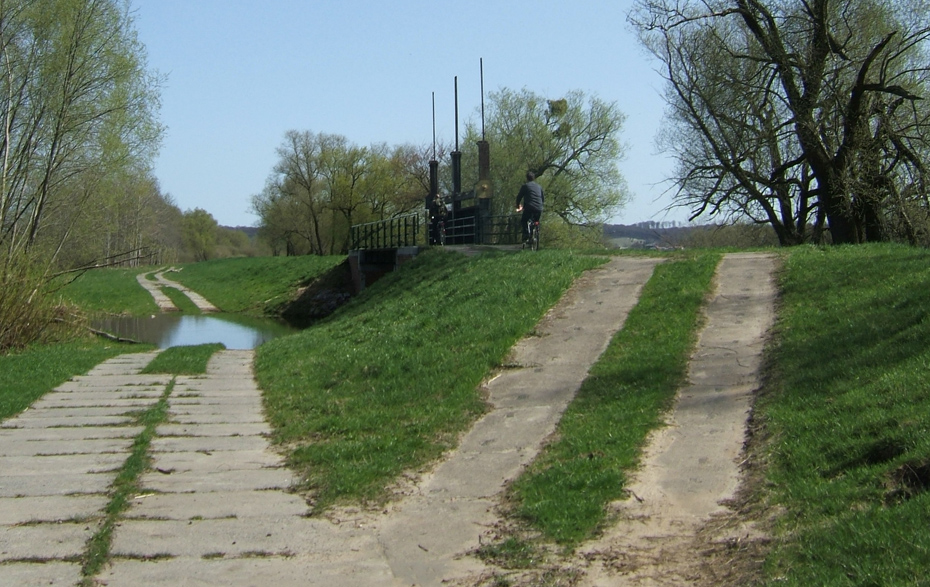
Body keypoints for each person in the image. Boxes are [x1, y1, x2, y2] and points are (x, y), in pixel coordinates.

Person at [515, 171, 544, 243]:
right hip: (539, 208)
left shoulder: (525, 186)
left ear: (527, 178)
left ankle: (526, 235)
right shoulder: (539, 187)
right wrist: (540, 205)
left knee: (524, 220)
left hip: (529, 207)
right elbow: (542, 198)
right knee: (536, 221)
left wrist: (518, 205)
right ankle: (535, 232)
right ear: (534, 178)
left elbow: (519, 197)